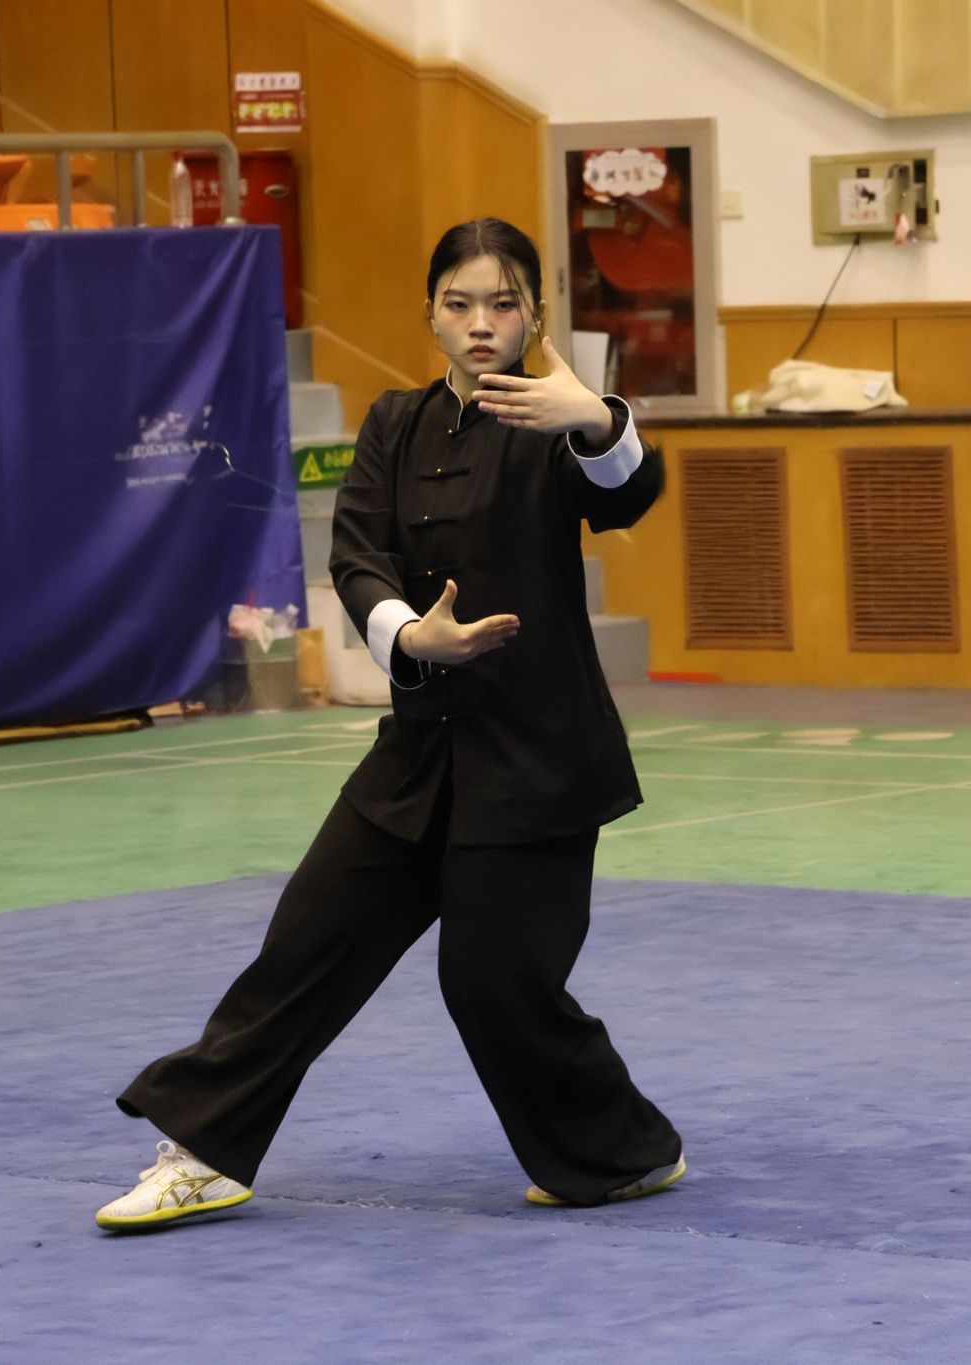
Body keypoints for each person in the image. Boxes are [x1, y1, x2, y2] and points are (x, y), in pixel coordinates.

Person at [96, 217, 685, 1230]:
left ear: (535, 315)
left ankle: (625, 1152)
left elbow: (627, 493)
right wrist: (411, 635)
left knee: (494, 985)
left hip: (538, 761)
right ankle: (206, 1154)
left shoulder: (561, 423)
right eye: (459, 304)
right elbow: (357, 555)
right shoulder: (392, 423)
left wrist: (595, 418)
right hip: (415, 755)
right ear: (431, 316)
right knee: (301, 948)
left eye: (502, 304)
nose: (481, 323)